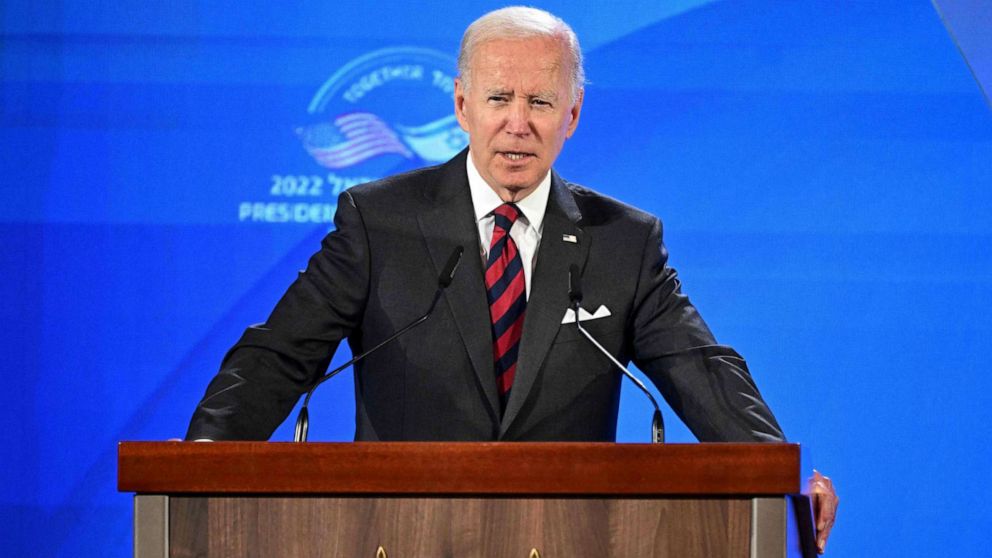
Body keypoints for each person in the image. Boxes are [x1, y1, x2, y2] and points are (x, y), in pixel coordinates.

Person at [185, 6, 837, 552]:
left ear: (573, 114)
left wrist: (777, 473)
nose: (518, 123)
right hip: (399, 537)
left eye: (541, 101)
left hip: (565, 541)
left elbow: (703, 371)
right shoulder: (379, 222)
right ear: (463, 106)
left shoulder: (623, 243)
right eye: (499, 98)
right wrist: (197, 464)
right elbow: (277, 357)